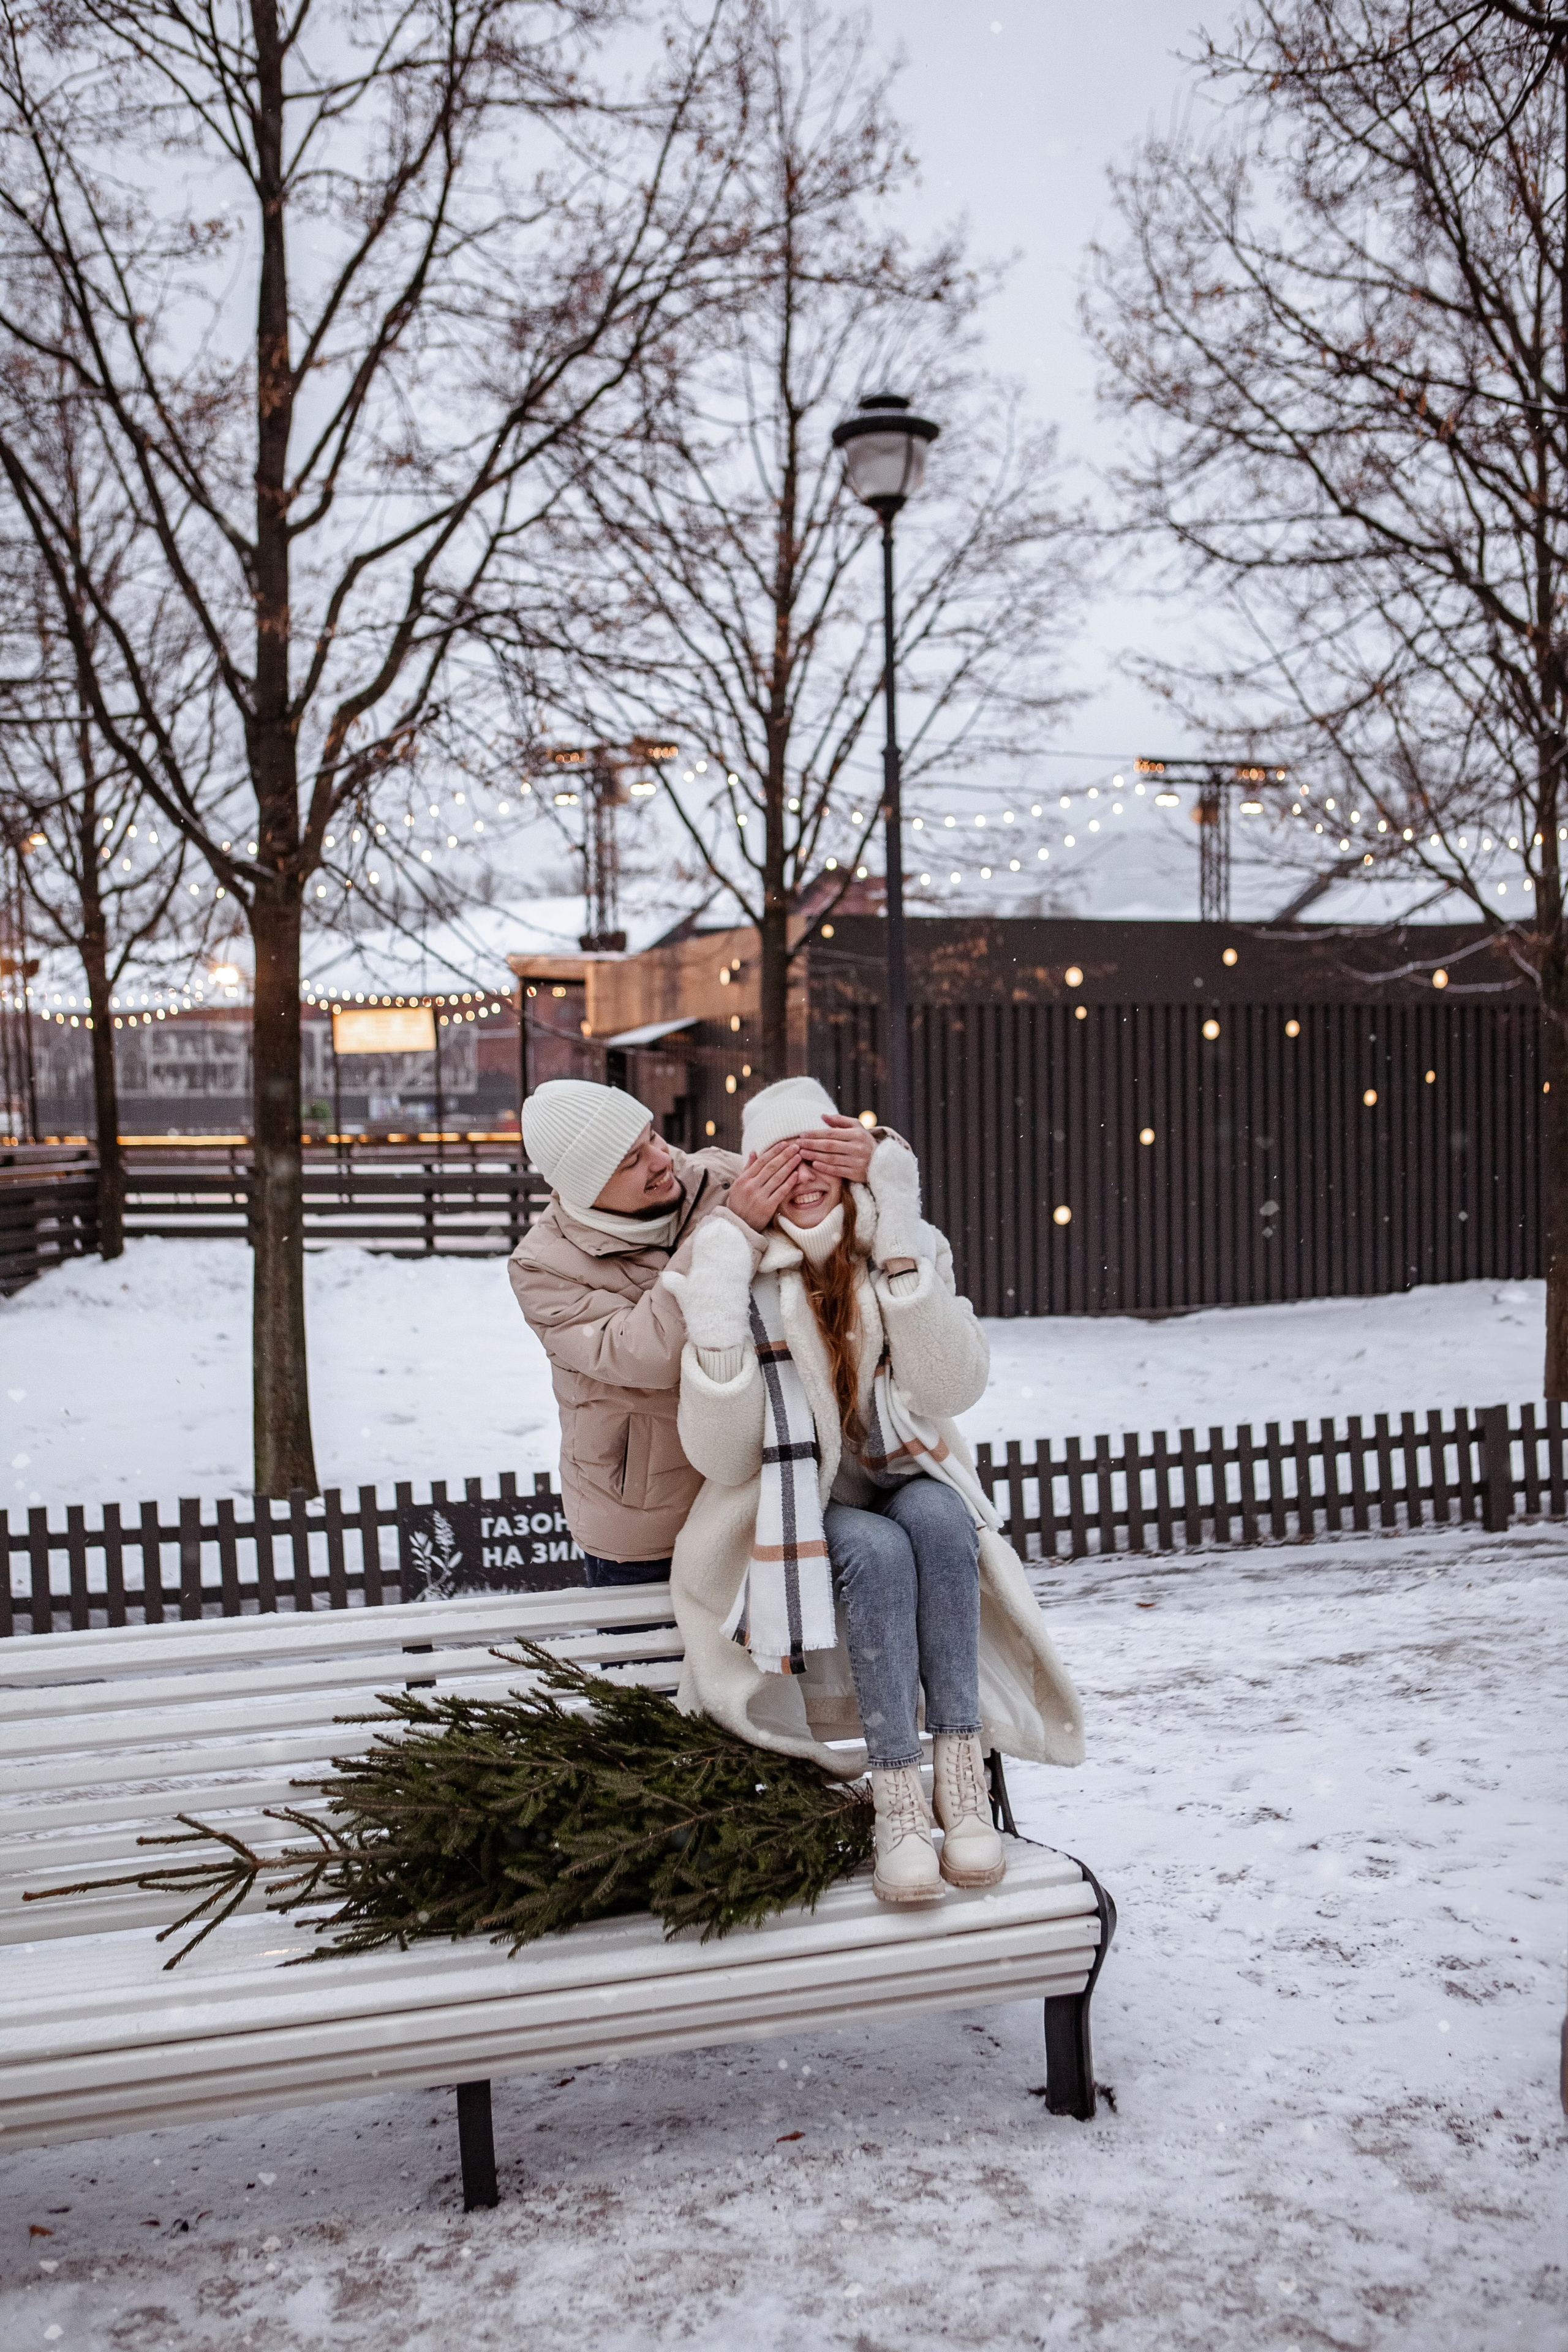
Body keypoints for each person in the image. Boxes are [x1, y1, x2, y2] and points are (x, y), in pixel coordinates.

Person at [661, 1076, 1085, 1906]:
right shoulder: (740, 1277)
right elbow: (721, 1456)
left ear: (853, 1164)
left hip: (898, 1485)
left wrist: (899, 1231)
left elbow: (950, 1387)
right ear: (756, 1177)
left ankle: (959, 1785)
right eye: (783, 1162)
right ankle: (898, 1798)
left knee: (936, 1511)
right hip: (786, 1514)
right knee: (881, 1548)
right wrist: (716, 1284)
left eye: (821, 1153)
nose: (807, 1176)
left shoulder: (894, 1242)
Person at [508, 1077, 875, 1586]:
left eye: (652, 1138)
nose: (661, 1159)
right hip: (650, 1529)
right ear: (587, 1189)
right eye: (630, 1160)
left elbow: (830, 1192)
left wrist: (872, 1156)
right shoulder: (544, 1267)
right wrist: (728, 1233)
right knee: (647, 1666)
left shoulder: (718, 1176)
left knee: (769, 1665)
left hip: (757, 1496)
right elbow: (646, 1357)